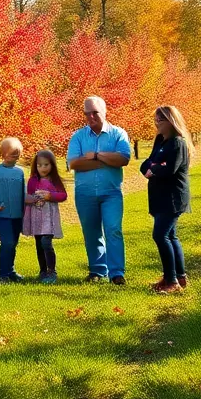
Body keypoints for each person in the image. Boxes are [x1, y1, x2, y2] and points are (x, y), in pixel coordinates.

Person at [67, 96, 132, 285]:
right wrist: (105, 161)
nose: (90, 116)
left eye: (94, 112)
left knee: (113, 230)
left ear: (105, 111)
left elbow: (123, 159)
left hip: (111, 193)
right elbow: (74, 163)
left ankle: (117, 273)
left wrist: (95, 156)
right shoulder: (78, 136)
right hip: (84, 194)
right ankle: (97, 270)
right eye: (87, 113)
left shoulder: (118, 134)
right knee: (91, 232)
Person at [140, 105, 194, 293]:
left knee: (160, 235)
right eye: (155, 119)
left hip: (173, 197)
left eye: (160, 119)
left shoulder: (177, 143)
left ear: (171, 121)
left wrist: (153, 168)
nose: (156, 123)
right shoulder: (160, 141)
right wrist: (154, 166)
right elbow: (145, 163)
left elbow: (170, 169)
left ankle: (171, 282)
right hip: (160, 196)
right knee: (170, 235)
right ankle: (179, 277)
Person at [0, 137, 26, 283]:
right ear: (3, 154)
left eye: (17, 154)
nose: (15, 157)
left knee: (13, 243)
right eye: (12, 153)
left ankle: (11, 271)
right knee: (7, 242)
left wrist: (27, 208)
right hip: (3, 214)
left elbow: (23, 193)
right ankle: (3, 274)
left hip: (18, 215)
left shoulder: (20, 172)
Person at [23, 149, 68, 284]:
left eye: (46, 165)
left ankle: (51, 271)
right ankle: (42, 271)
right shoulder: (33, 180)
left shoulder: (54, 180)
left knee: (46, 243)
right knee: (39, 244)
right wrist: (30, 199)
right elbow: (27, 195)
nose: (42, 168)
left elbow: (63, 195)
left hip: (49, 217)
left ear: (52, 165)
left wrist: (50, 196)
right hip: (36, 217)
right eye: (39, 165)